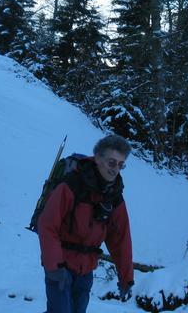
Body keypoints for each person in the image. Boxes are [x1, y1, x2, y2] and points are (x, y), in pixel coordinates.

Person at [38, 134, 134, 313]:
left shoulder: (114, 195)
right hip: (60, 266)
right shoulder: (72, 185)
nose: (116, 169)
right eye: (112, 163)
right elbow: (48, 225)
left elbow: (120, 238)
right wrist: (54, 267)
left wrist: (126, 277)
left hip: (86, 271)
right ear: (98, 158)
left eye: (121, 165)